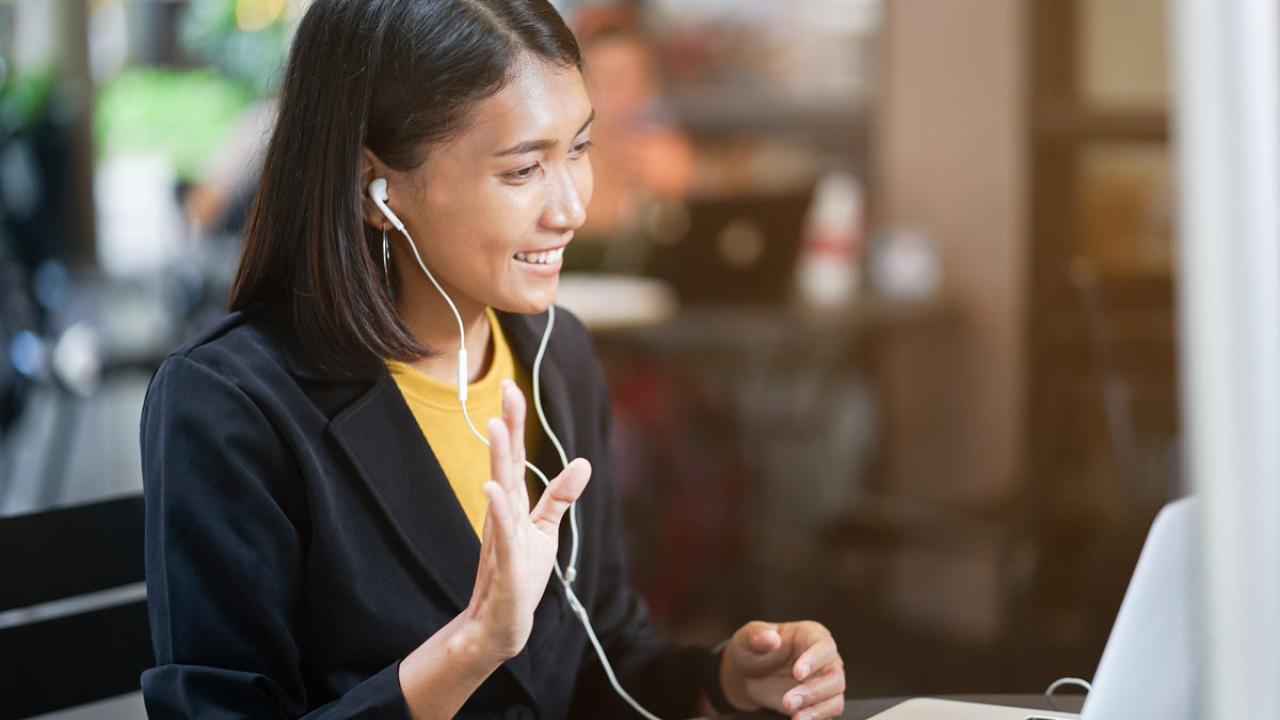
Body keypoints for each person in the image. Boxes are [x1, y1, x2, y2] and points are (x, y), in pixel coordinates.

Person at [138, 1, 845, 718]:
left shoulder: (554, 354)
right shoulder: (230, 404)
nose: (569, 207)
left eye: (579, 149)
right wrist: (471, 648)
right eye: (523, 170)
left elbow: (601, 657)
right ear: (373, 190)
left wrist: (721, 680)